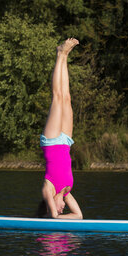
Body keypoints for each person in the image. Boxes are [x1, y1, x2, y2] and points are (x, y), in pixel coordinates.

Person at [36, 38, 83, 219]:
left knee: (57, 98)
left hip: (52, 141)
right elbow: (78, 216)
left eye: (60, 208)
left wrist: (55, 214)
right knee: (67, 98)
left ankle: (60, 54)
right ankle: (65, 56)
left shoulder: (48, 189)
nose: (63, 209)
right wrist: (62, 214)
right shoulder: (66, 192)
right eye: (63, 209)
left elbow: (54, 217)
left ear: (50, 206)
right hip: (65, 142)